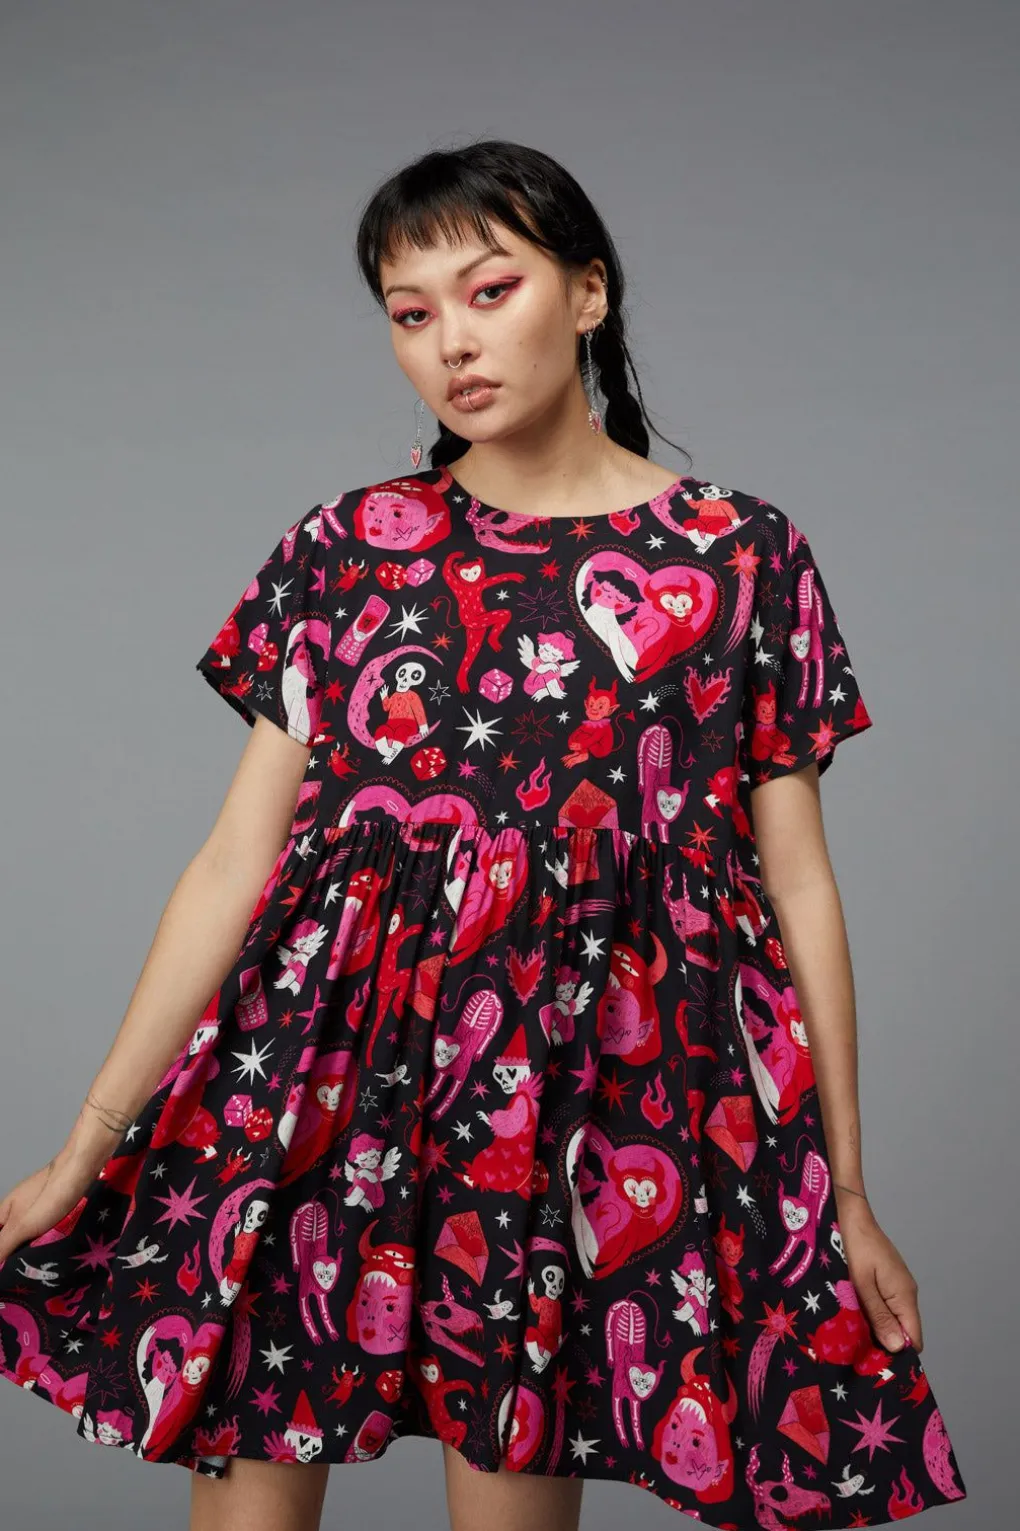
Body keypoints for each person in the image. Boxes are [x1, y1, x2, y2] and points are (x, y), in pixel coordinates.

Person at [0, 139, 967, 1531]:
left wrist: (848, 1190)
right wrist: (89, 1143)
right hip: (313, 1095)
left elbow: (797, 888)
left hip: (559, 1118)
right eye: (411, 312)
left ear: (589, 293)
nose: (451, 340)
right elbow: (233, 865)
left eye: (489, 289)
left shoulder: (736, 556)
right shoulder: (348, 549)